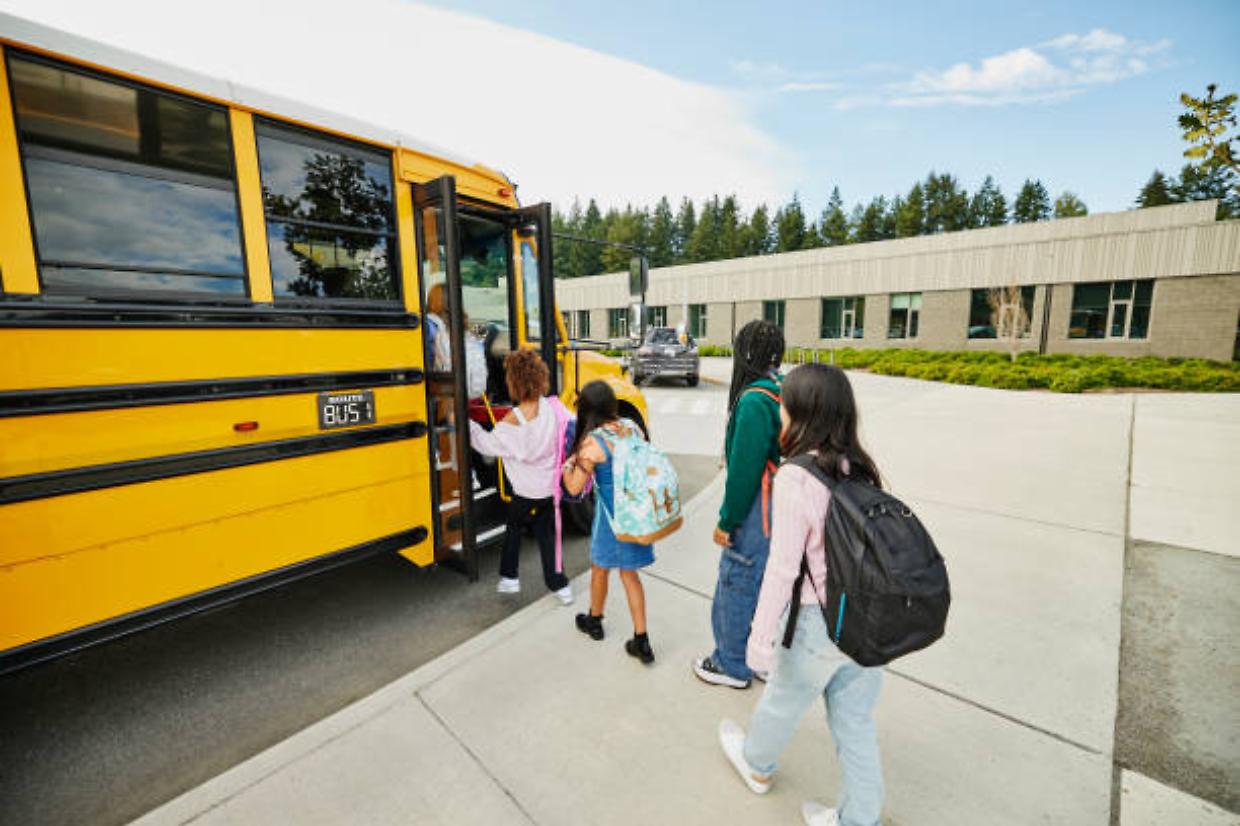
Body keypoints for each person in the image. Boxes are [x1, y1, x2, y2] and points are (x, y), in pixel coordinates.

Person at [718, 364, 885, 826]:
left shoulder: (797, 477)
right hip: (866, 617)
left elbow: (783, 569)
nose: (781, 415)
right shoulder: (860, 466)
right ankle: (857, 819)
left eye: (785, 406)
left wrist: (758, 638)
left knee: (783, 699)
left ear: (803, 413)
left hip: (818, 621)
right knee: (855, 726)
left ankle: (756, 764)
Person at [693, 320, 785, 689]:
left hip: (757, 512)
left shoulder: (753, 401)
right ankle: (759, 656)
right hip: (782, 508)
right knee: (765, 584)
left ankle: (731, 664)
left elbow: (744, 474)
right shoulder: (781, 389)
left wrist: (726, 521)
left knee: (738, 581)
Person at [468, 349, 573, 605]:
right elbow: (572, 426)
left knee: (514, 527)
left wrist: (465, 422)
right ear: (541, 378)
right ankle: (560, 587)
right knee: (547, 535)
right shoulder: (553, 407)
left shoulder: (512, 423)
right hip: (550, 490)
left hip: (525, 493)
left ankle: (510, 579)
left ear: (513, 382)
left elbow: (485, 444)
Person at [561, 380, 655, 665]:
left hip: (611, 519)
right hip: (636, 515)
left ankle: (595, 620)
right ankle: (641, 640)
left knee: (600, 568)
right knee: (629, 574)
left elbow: (575, 488)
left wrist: (568, 467)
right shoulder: (632, 427)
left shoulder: (592, 443)